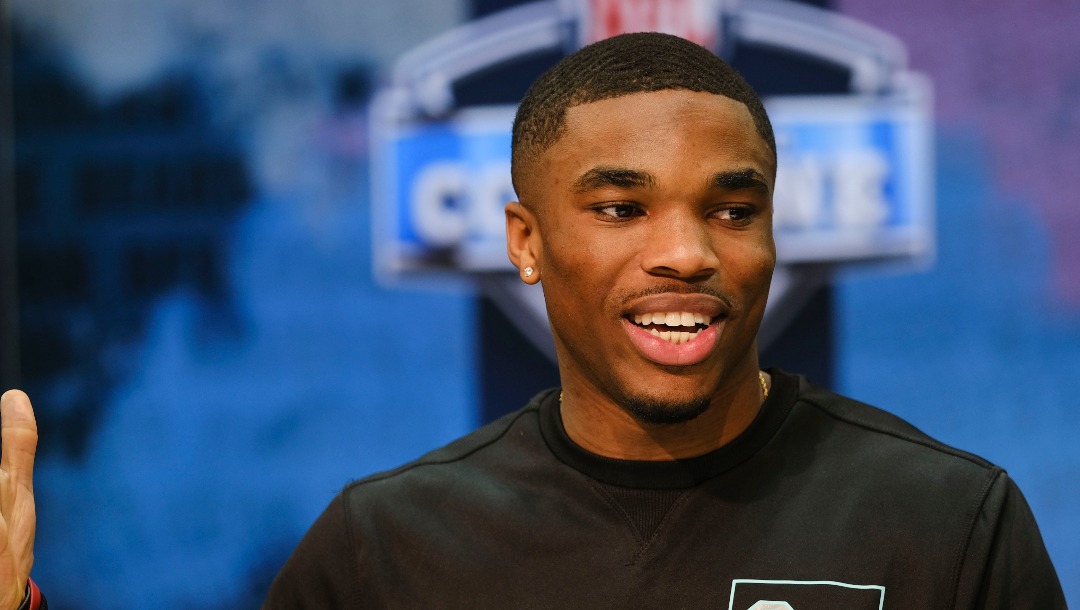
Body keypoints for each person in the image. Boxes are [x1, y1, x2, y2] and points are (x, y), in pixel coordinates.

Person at [261, 32, 1065, 608]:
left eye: (732, 209)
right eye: (620, 208)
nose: (686, 252)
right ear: (527, 240)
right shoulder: (386, 548)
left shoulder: (948, 522)